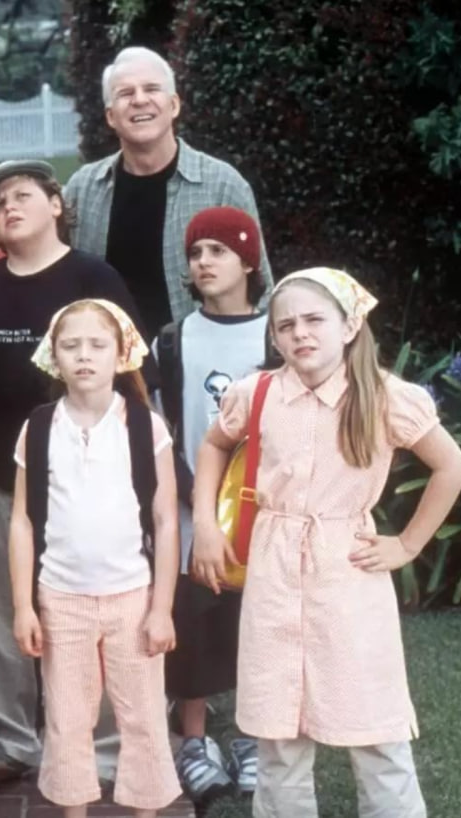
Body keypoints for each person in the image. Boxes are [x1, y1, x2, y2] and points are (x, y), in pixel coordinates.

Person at [191, 268, 461, 817]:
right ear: (273, 337)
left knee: (375, 728)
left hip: (348, 571)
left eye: (315, 319)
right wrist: (205, 522)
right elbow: (213, 446)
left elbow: (451, 466)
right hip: (274, 568)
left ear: (349, 326)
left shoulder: (386, 397)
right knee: (278, 734)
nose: (300, 334)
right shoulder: (258, 393)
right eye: (286, 325)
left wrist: (408, 544)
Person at [0, 159, 147, 787]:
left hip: (95, 479)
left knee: (103, 605)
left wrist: (144, 465)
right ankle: (8, 738)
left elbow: (135, 378)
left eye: (22, 196)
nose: (9, 210)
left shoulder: (94, 277)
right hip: (3, 476)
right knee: (0, 611)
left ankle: (105, 745)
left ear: (57, 203)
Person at [8, 299, 182, 817]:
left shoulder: (144, 427)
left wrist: (162, 608)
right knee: (67, 717)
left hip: (132, 595)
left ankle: (146, 809)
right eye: (71, 345)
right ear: (53, 356)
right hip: (61, 599)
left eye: (97, 345)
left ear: (121, 353)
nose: (84, 356)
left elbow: (166, 520)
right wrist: (23, 606)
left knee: (144, 716)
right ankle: (73, 810)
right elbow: (21, 522)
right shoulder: (38, 428)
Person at [153, 207, 269, 805]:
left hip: (260, 509)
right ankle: (194, 740)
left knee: (253, 626)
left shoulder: (277, 331)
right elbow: (160, 419)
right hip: (194, 505)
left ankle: (252, 735)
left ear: (249, 260)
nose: (204, 263)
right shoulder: (174, 337)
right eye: (196, 254)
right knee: (194, 622)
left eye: (219, 252)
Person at [64, 46, 274, 336]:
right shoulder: (82, 190)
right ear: (111, 116)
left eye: (151, 89)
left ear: (174, 104)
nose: (139, 100)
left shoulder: (222, 185)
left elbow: (260, 288)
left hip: (202, 364)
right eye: (126, 93)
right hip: (109, 371)